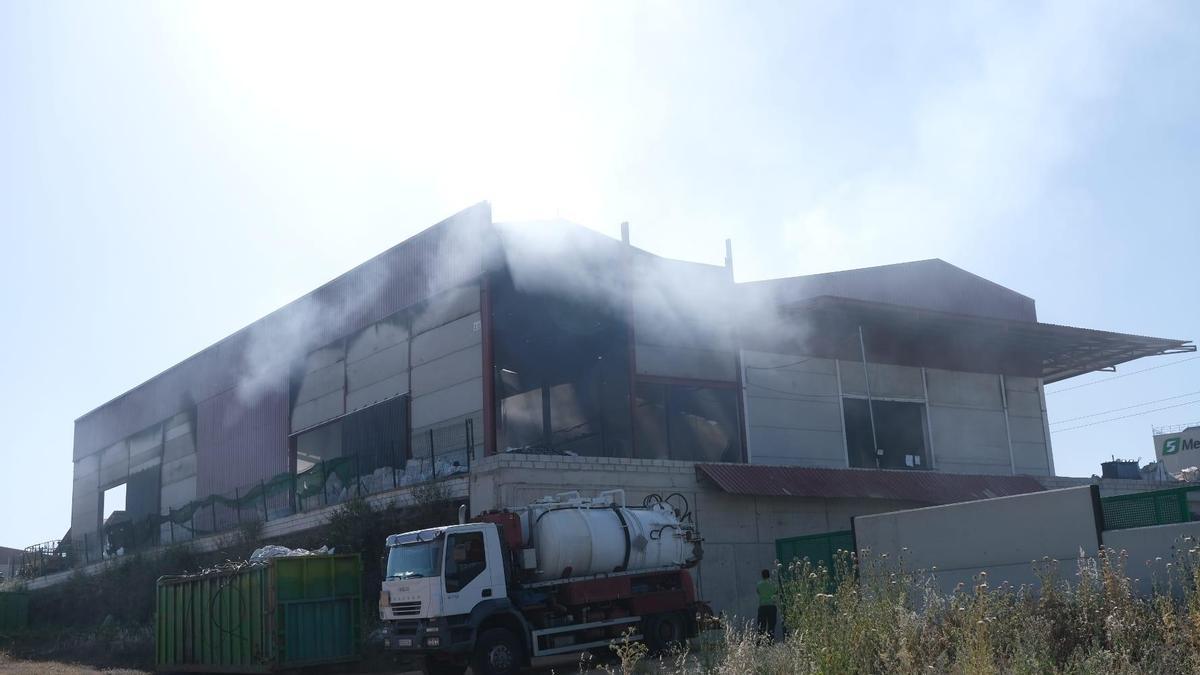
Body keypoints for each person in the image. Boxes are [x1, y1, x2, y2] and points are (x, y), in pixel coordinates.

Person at [756, 568, 777, 640]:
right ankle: (770, 642)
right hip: (772, 606)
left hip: (762, 607)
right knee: (771, 626)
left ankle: (760, 642)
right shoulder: (773, 583)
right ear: (769, 575)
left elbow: (758, 592)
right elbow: (776, 592)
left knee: (761, 625)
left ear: (762, 576)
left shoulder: (759, 584)